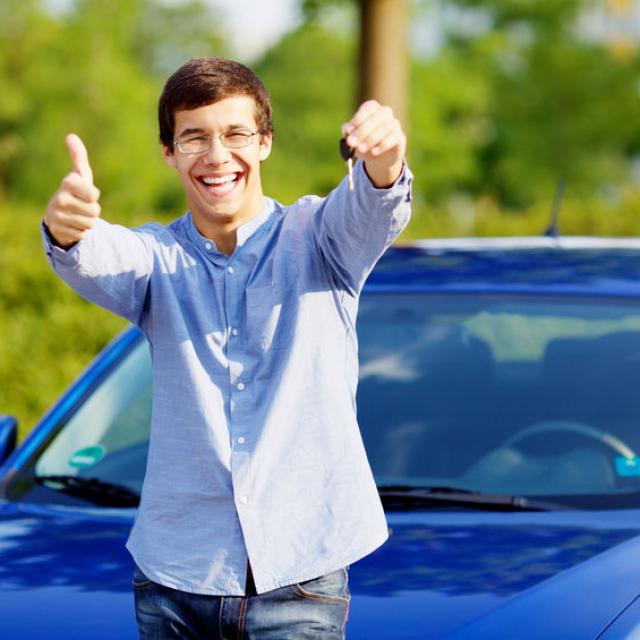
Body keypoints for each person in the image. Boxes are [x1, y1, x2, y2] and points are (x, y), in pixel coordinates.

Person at [42, 57, 412, 639]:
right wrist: (68, 227)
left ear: (264, 142)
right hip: (174, 582)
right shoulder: (156, 259)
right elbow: (98, 252)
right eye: (194, 137)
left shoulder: (321, 239)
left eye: (235, 134)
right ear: (169, 152)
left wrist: (385, 156)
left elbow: (371, 204)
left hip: (300, 579)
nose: (216, 155)